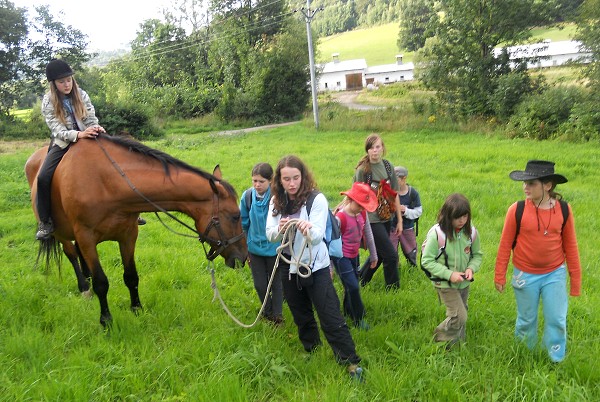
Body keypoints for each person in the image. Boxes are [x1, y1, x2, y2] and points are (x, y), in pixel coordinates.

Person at [265, 155, 363, 381]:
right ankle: (312, 348)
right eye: (286, 179)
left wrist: (307, 228)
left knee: (329, 314)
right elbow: (269, 234)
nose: (291, 183)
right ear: (279, 180)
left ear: (302, 176)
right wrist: (281, 229)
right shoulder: (276, 201)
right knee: (300, 312)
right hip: (288, 265)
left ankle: (349, 361)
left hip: (314, 265)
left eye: (296, 178)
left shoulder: (315, 199)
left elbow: (318, 237)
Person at [36, 59, 144, 240]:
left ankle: (132, 209)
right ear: (54, 84)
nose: (66, 84)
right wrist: (79, 135)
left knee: (118, 161)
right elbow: (58, 130)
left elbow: (90, 118)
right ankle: (45, 222)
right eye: (61, 82)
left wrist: (96, 128)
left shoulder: (82, 94)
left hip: (89, 135)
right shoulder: (48, 101)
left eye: (69, 80)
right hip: (64, 141)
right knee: (43, 176)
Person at [494, 160, 581, 363]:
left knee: (557, 319)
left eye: (531, 183)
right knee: (526, 319)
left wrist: (575, 281)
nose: (525, 187)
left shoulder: (564, 210)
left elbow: (571, 247)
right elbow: (505, 245)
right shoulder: (517, 210)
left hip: (555, 273)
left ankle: (555, 358)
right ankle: (524, 355)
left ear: (547, 185)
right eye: (524, 183)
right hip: (525, 274)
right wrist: (499, 275)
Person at [421, 193, 482, 349]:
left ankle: (457, 343)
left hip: (464, 283)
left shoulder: (471, 232)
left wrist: (471, 268)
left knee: (462, 311)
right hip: (444, 283)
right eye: (457, 217)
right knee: (458, 316)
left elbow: (477, 256)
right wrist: (450, 274)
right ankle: (439, 337)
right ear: (448, 216)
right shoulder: (438, 235)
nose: (462, 221)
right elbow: (426, 261)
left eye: (465, 216)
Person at [354, 133, 402, 289]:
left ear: (382, 148)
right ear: (367, 150)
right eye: (371, 148)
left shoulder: (388, 167)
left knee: (381, 254)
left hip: (387, 216)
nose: (374, 151)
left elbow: (395, 194)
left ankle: (361, 280)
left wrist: (400, 221)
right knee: (391, 256)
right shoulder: (363, 170)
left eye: (377, 147)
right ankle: (393, 289)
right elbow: (356, 196)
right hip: (370, 219)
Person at [240, 162, 283, 326]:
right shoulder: (248, 196)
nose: (257, 185)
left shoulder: (277, 197)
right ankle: (267, 313)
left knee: (276, 283)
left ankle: (277, 317)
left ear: (270, 181)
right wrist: (245, 247)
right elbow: (243, 222)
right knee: (260, 285)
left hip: (274, 249)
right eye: (254, 181)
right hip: (254, 248)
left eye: (261, 182)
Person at [332, 182, 378, 330]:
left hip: (354, 254)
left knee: (350, 285)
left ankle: (347, 311)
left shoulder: (362, 213)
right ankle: (359, 318)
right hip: (341, 257)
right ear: (351, 200)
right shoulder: (341, 218)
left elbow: (368, 234)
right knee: (353, 286)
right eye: (359, 205)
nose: (362, 209)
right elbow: (331, 242)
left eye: (364, 206)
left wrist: (373, 255)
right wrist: (330, 267)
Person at [389, 166, 422, 267]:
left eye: (396, 179)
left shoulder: (412, 193)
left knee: (410, 250)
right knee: (391, 250)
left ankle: (412, 267)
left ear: (404, 178)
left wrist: (406, 211)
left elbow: (418, 211)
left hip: (408, 228)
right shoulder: (390, 192)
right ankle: (395, 267)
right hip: (392, 227)